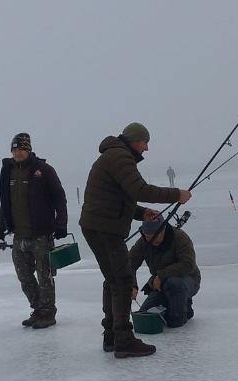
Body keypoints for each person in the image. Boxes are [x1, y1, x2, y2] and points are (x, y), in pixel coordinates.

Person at [80, 122, 192, 358]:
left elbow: (120, 196)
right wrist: (176, 195)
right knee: (122, 281)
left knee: (113, 280)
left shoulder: (114, 155)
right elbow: (140, 189)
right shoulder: (120, 156)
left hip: (97, 226)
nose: (147, 148)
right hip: (106, 228)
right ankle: (124, 340)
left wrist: (141, 213)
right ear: (134, 140)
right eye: (145, 142)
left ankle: (111, 335)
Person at [0, 133, 68, 329]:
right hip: (19, 235)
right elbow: (5, 203)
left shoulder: (43, 170)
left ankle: (48, 312)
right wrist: (1, 227)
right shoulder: (7, 171)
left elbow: (59, 198)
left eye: (21, 149)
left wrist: (61, 224)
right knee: (24, 276)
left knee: (45, 276)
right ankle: (37, 309)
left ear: (28, 150)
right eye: (14, 149)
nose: (17, 153)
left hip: (41, 234)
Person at [130, 216, 200, 328]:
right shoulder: (144, 241)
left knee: (174, 320)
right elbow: (130, 264)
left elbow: (188, 264)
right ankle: (174, 304)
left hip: (188, 279)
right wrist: (132, 285)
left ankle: (183, 307)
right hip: (160, 285)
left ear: (163, 229)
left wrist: (161, 275)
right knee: (145, 315)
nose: (152, 240)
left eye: (155, 236)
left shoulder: (180, 237)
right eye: (148, 236)